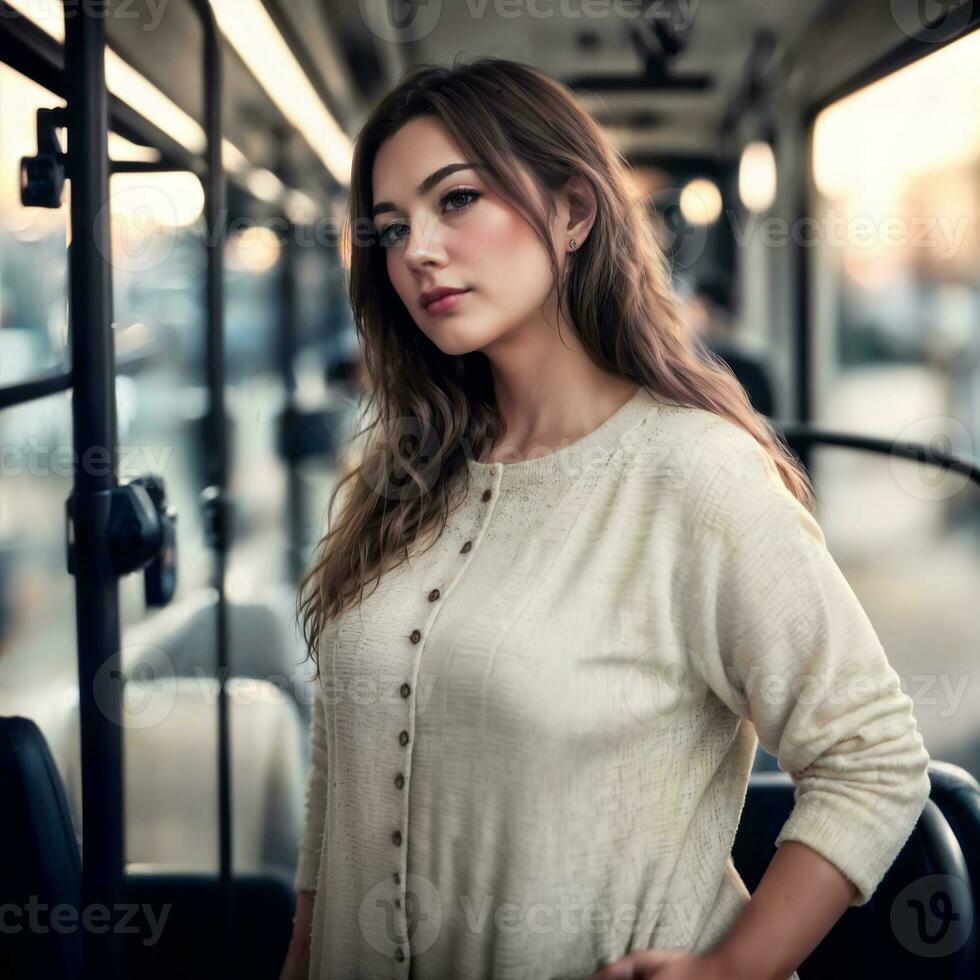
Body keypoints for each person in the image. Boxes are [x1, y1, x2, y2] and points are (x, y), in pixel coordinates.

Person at [279, 57, 931, 980]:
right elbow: (339, 767)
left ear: (575, 212)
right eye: (392, 228)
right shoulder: (397, 478)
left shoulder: (695, 475)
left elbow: (872, 753)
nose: (417, 250)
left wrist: (732, 969)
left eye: (456, 200)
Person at [683, 271, 776, 418]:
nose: (687, 316)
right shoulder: (755, 359)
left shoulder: (703, 361)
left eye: (693, 307)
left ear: (706, 309)